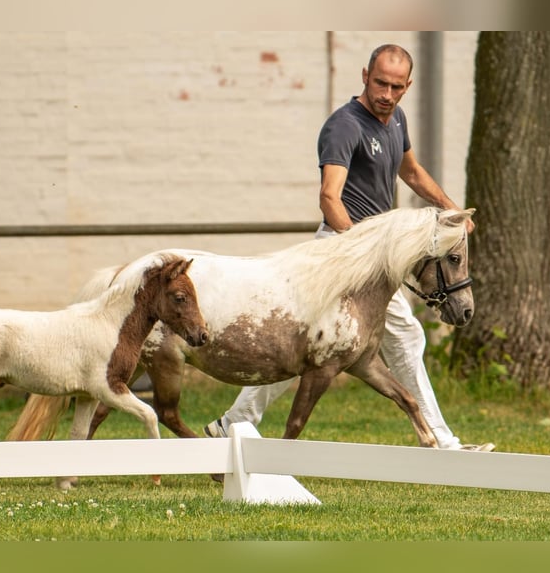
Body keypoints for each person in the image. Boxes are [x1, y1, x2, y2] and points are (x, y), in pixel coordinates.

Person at [204, 44, 494, 452]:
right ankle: (444, 444)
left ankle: (233, 421)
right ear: (364, 75)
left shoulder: (396, 121)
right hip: (344, 250)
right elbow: (329, 198)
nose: (386, 94)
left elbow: (410, 170)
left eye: (396, 86)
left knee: (369, 342)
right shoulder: (344, 126)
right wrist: (364, 250)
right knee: (350, 342)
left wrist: (452, 211)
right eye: (380, 83)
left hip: (374, 259)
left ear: (407, 86)